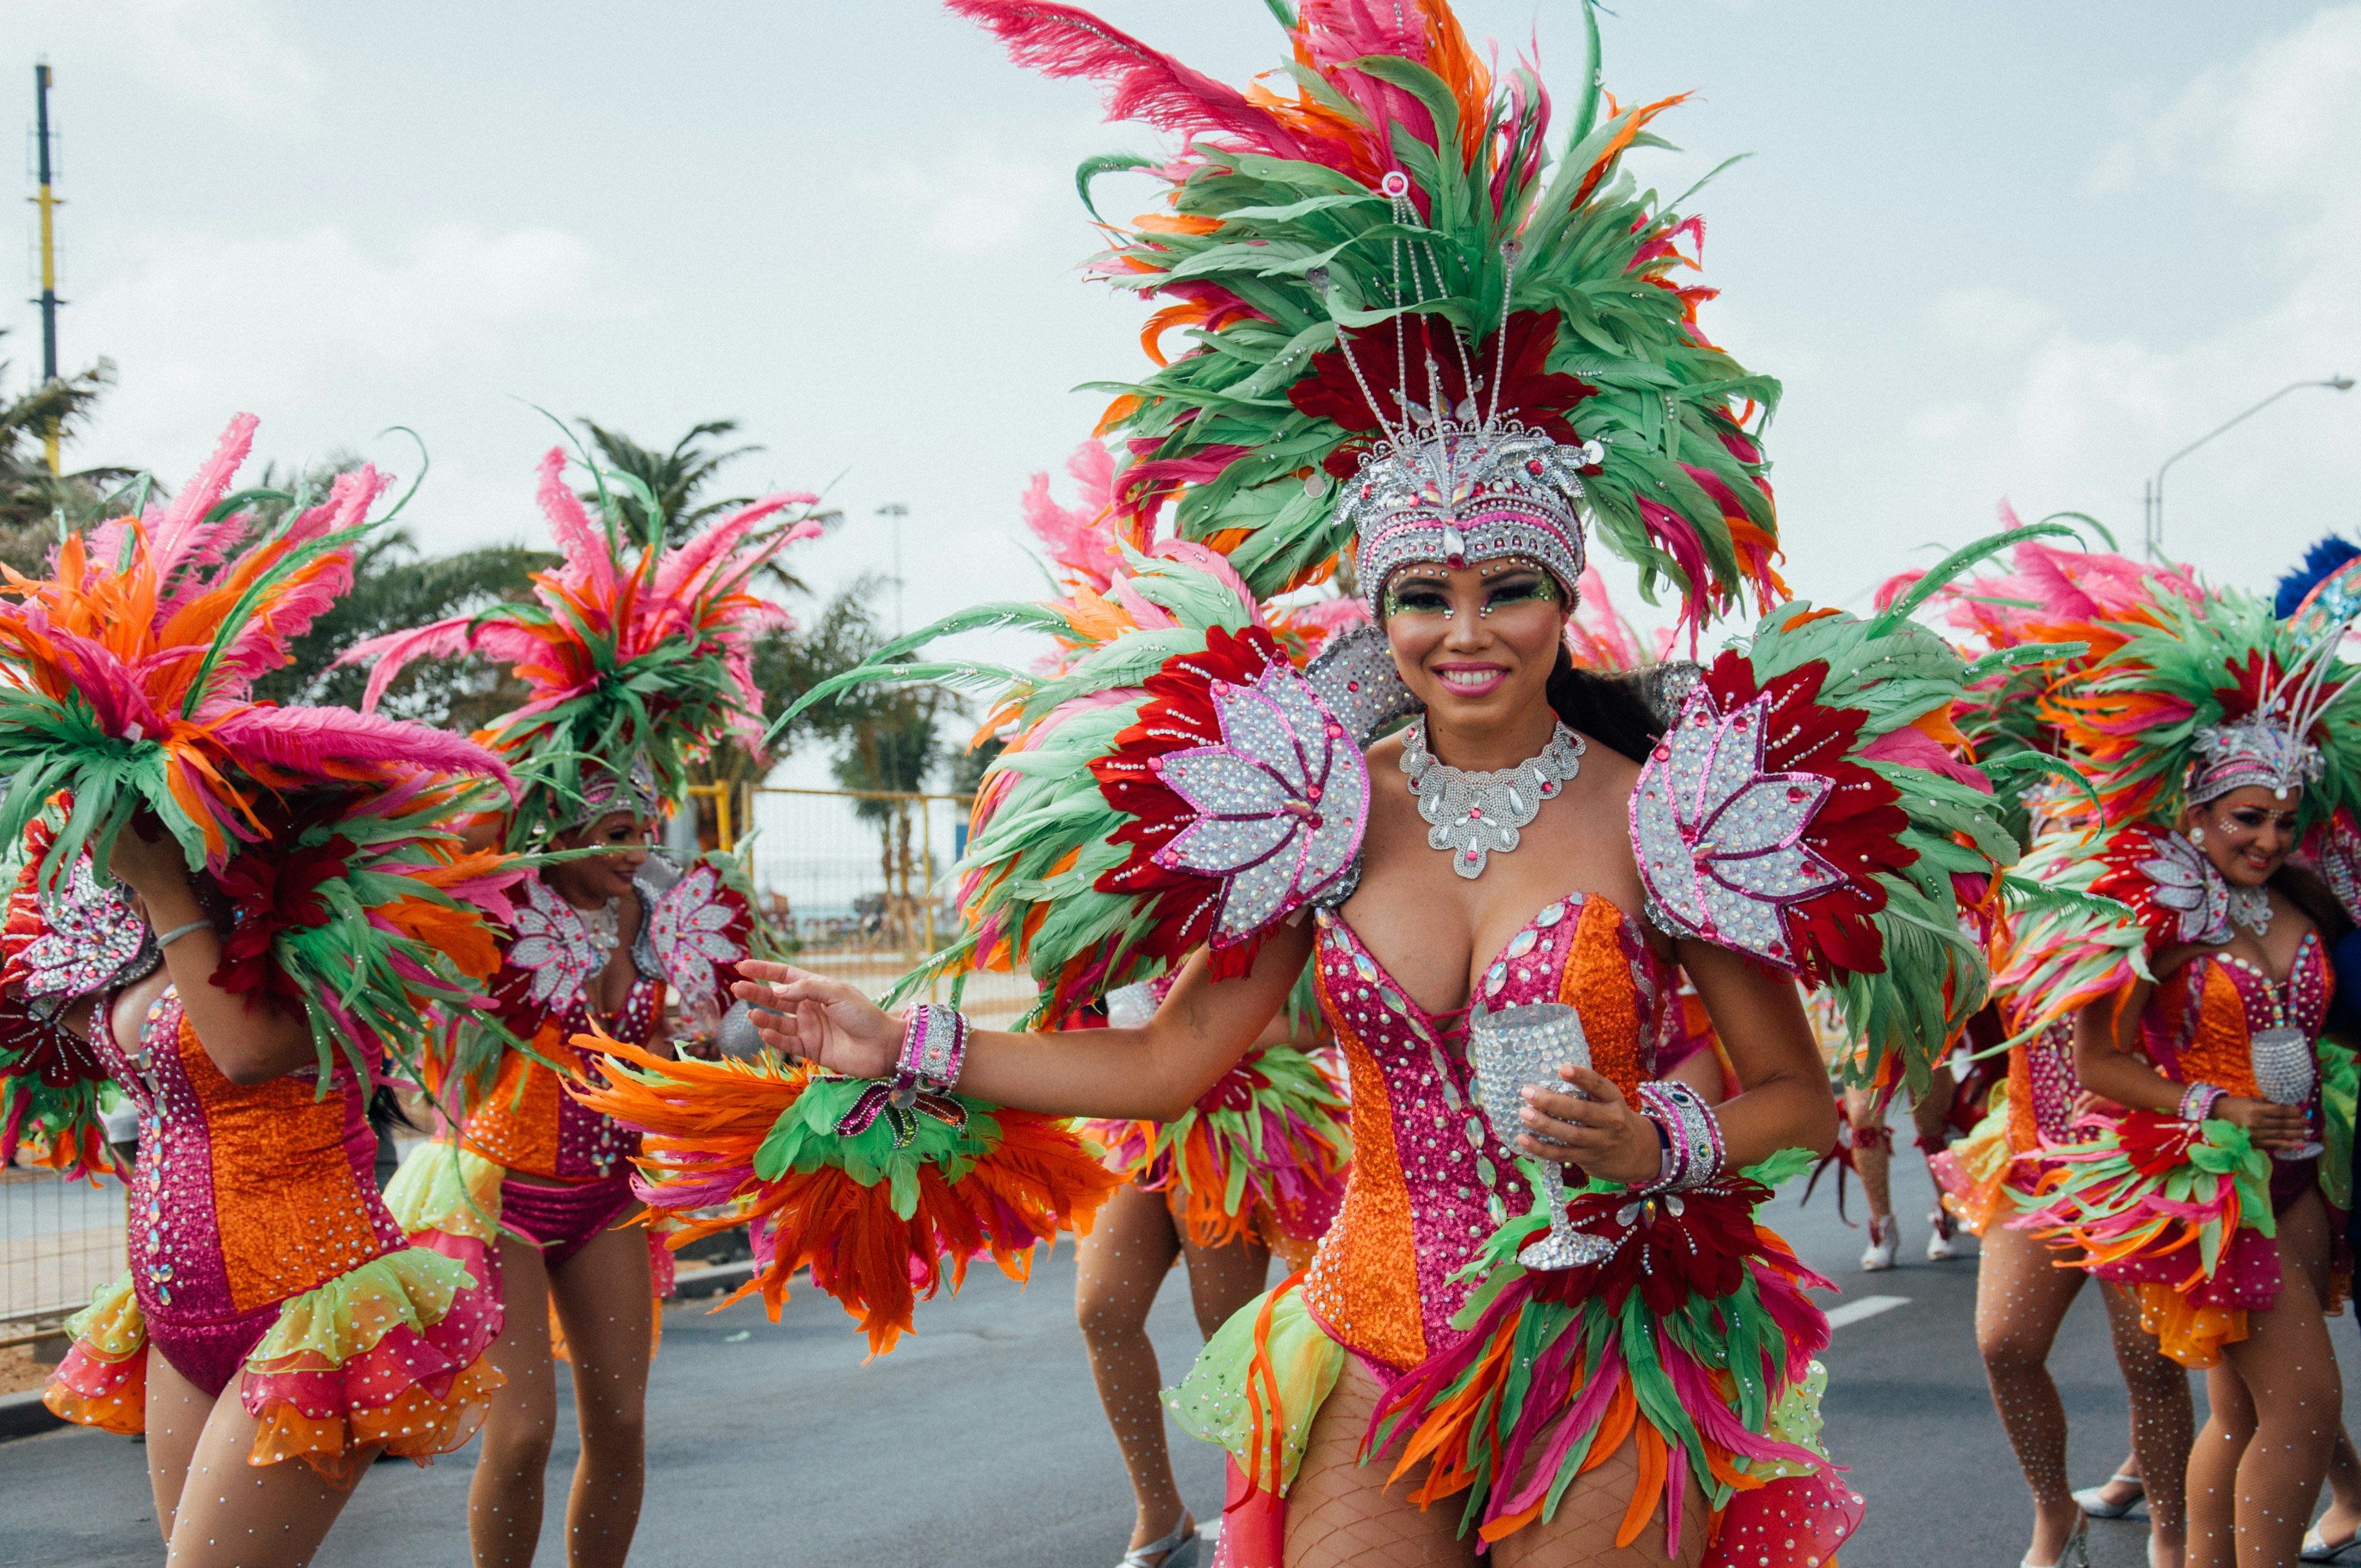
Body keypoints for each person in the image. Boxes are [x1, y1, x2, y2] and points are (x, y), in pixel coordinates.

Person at [632, 7, 2033, 1562]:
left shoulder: (1664, 803)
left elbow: (1789, 1094)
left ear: (1564, 602)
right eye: (1421, 596)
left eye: (1505, 587)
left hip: (1597, 1347)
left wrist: (1660, 1145)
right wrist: (905, 1036)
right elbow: (1175, 1059)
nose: (1464, 631)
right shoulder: (1310, 805)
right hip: (1371, 1321)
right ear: (1378, 614)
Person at [0, 418, 518, 1564]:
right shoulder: (138, 921)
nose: (113, 830)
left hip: (309, 1305)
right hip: (172, 1311)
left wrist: (165, 885)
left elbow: (246, 1053)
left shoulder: (319, 907)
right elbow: (108, 1058)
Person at [351, 443, 821, 1568]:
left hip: (611, 1192)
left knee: (622, 1427)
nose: (632, 850)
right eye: (606, 830)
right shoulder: (493, 920)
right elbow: (408, 973)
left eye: (643, 826)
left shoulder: (676, 916)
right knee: (522, 1433)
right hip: (498, 1192)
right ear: (551, 824)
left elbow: (730, 1033)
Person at [2005, 577, 2361, 1568]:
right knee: (2307, 1405)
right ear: (2197, 809)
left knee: (2245, 1415)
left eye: (2285, 821)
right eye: (2246, 817)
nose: (2268, 840)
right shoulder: (2153, 910)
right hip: (2206, 1184)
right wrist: (2216, 1105)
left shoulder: (2302, 899)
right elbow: (2099, 1061)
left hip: (2294, 1176)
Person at [1076, 979, 1351, 1568]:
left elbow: (1321, 1017)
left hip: (1233, 1117)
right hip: (1138, 1108)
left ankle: (1253, 1533)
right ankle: (1162, 1517)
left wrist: (1199, 1034)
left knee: (1227, 1336)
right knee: (1103, 1309)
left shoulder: (1263, 886)